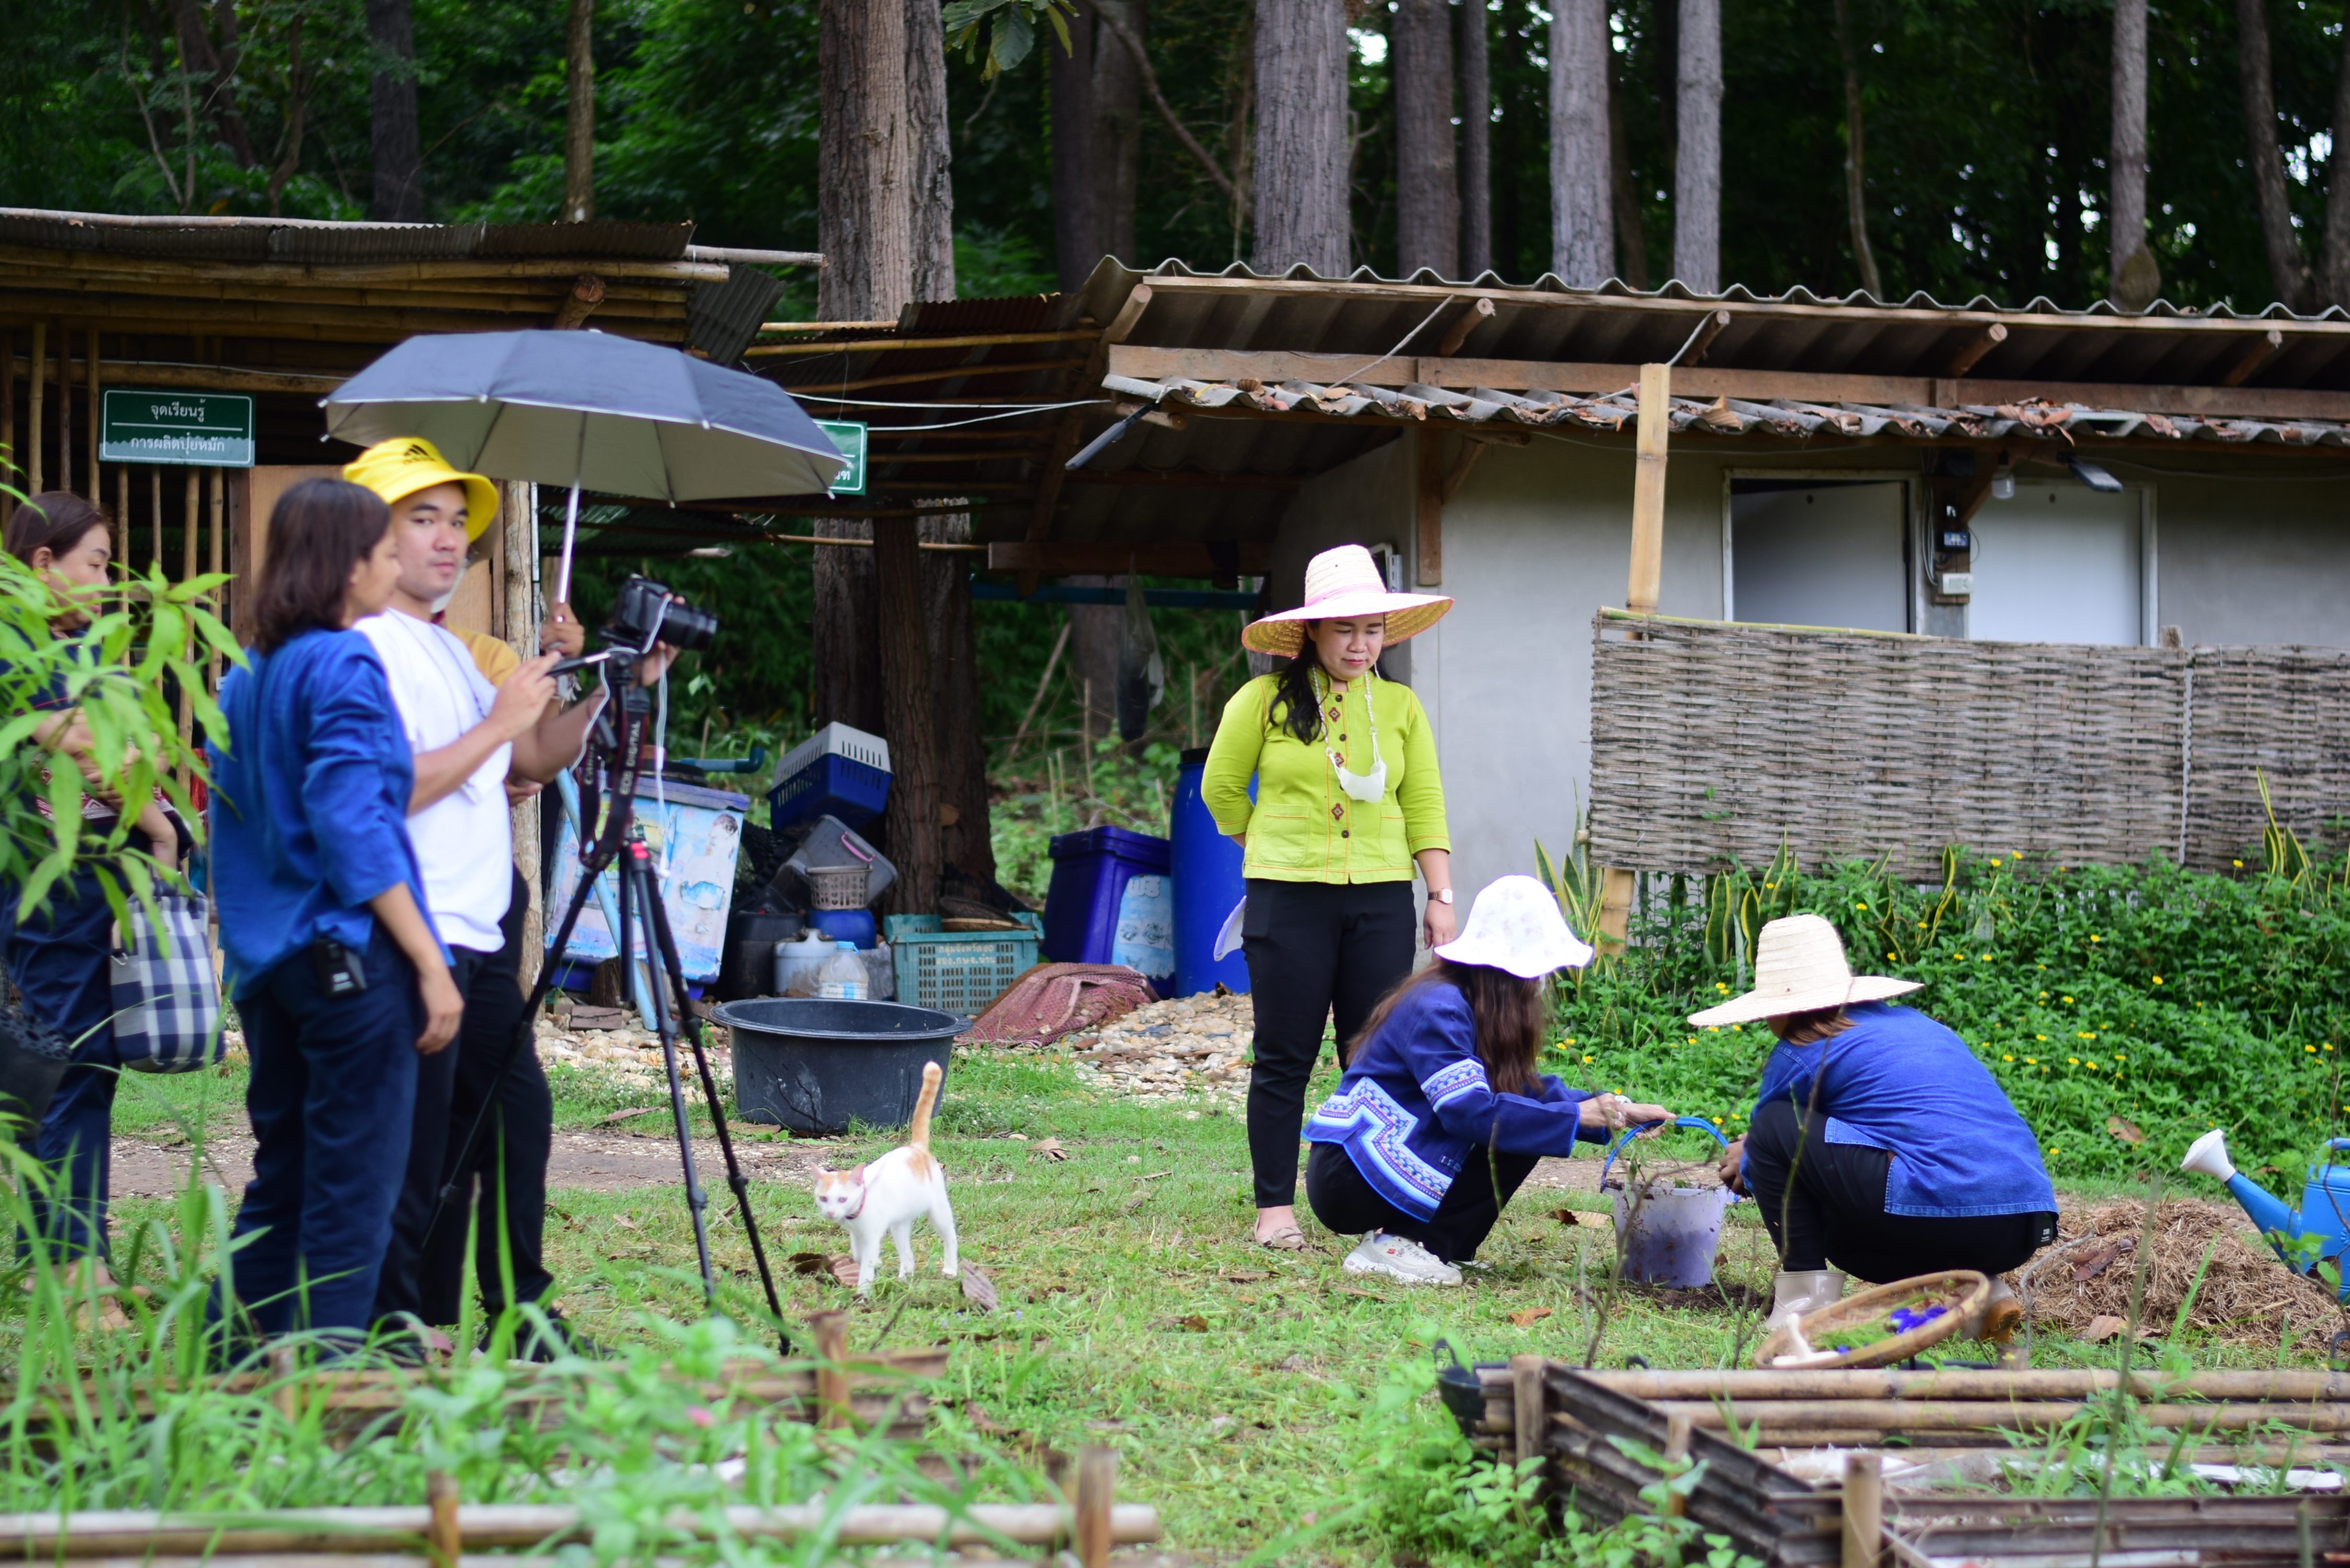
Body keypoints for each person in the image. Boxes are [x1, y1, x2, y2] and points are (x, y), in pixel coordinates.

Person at [339, 437, 635, 1346]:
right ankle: (397, 1337)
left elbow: (533, 757)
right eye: (421, 518)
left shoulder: (455, 653)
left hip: (481, 933)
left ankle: (520, 1318)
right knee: (414, 1145)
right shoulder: (358, 652)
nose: (447, 538)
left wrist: (607, 685)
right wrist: (504, 719)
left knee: (513, 1122)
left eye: (456, 521)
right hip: (406, 932)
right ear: (368, 538)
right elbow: (383, 791)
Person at [208, 478, 462, 1345]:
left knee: (284, 1178)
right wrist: (429, 962)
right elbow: (353, 828)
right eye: (386, 551)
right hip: (346, 962)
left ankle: (232, 1370)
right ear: (349, 565)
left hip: (267, 966)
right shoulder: (345, 661)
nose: (396, 565)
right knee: (355, 1189)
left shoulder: (244, 675)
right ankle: (331, 1386)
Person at [1201, 543, 1456, 1251]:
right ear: (1311, 630)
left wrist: (1439, 895)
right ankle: (1274, 1210)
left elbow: (1424, 804)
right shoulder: (1261, 702)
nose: (1359, 644)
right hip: (1287, 900)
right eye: (1344, 629)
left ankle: (1376, 1203)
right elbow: (1220, 788)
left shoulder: (1400, 707)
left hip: (1380, 901)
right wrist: (1263, 843)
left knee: (1371, 1056)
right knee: (1284, 1054)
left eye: (1372, 629)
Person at [1698, 914, 2057, 1338]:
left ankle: (1805, 1308)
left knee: (1774, 1124)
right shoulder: (1915, 1024)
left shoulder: (1801, 1047)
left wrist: (1748, 1157)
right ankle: (1975, 1292)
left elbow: (1769, 1142)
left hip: (1947, 1206)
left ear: (1779, 1009)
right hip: (2025, 1222)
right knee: (1838, 1235)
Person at [1303, 876, 1674, 1285]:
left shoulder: (1468, 1003)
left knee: (1529, 1120)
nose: (1540, 984)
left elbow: (1525, 1091)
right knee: (1522, 1124)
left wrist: (1617, 1111)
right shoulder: (1438, 1006)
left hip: (1371, 1170)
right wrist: (1572, 1116)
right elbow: (1467, 1112)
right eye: (1538, 969)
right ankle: (1400, 1244)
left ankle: (1439, 1245)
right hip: (1350, 1179)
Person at [3, 492, 183, 1264]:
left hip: (94, 881)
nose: (108, 584)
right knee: (71, 1062)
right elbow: (88, 749)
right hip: (52, 883)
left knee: (80, 1064)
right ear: (43, 561)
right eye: (98, 564)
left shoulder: (79, 649)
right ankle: (74, 1272)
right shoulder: (16, 644)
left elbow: (148, 749)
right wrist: (161, 830)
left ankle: (50, 1256)